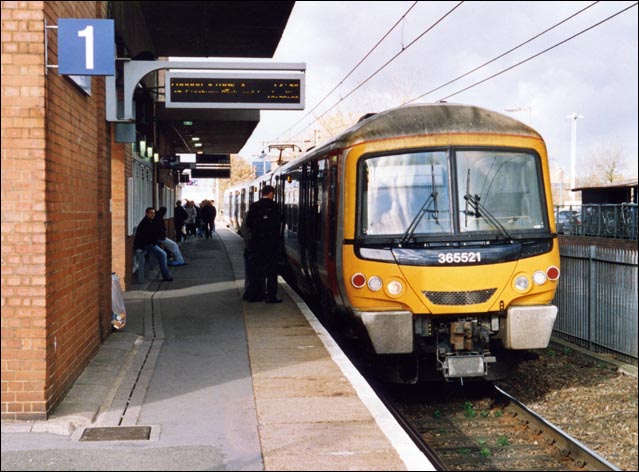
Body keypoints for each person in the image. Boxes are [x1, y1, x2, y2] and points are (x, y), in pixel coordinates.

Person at [242, 185, 283, 303]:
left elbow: (248, 223)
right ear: (271, 193)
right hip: (271, 244)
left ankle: (256, 295)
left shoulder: (254, 206)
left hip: (257, 244)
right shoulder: (275, 207)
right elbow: (278, 225)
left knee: (257, 271)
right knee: (271, 272)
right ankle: (272, 296)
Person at [134, 207, 173, 282]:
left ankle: (166, 274)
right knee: (163, 254)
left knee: (162, 253)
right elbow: (148, 236)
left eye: (154, 213)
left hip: (150, 243)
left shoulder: (150, 221)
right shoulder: (145, 222)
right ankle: (166, 276)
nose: (153, 215)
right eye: (151, 213)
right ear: (146, 213)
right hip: (145, 244)